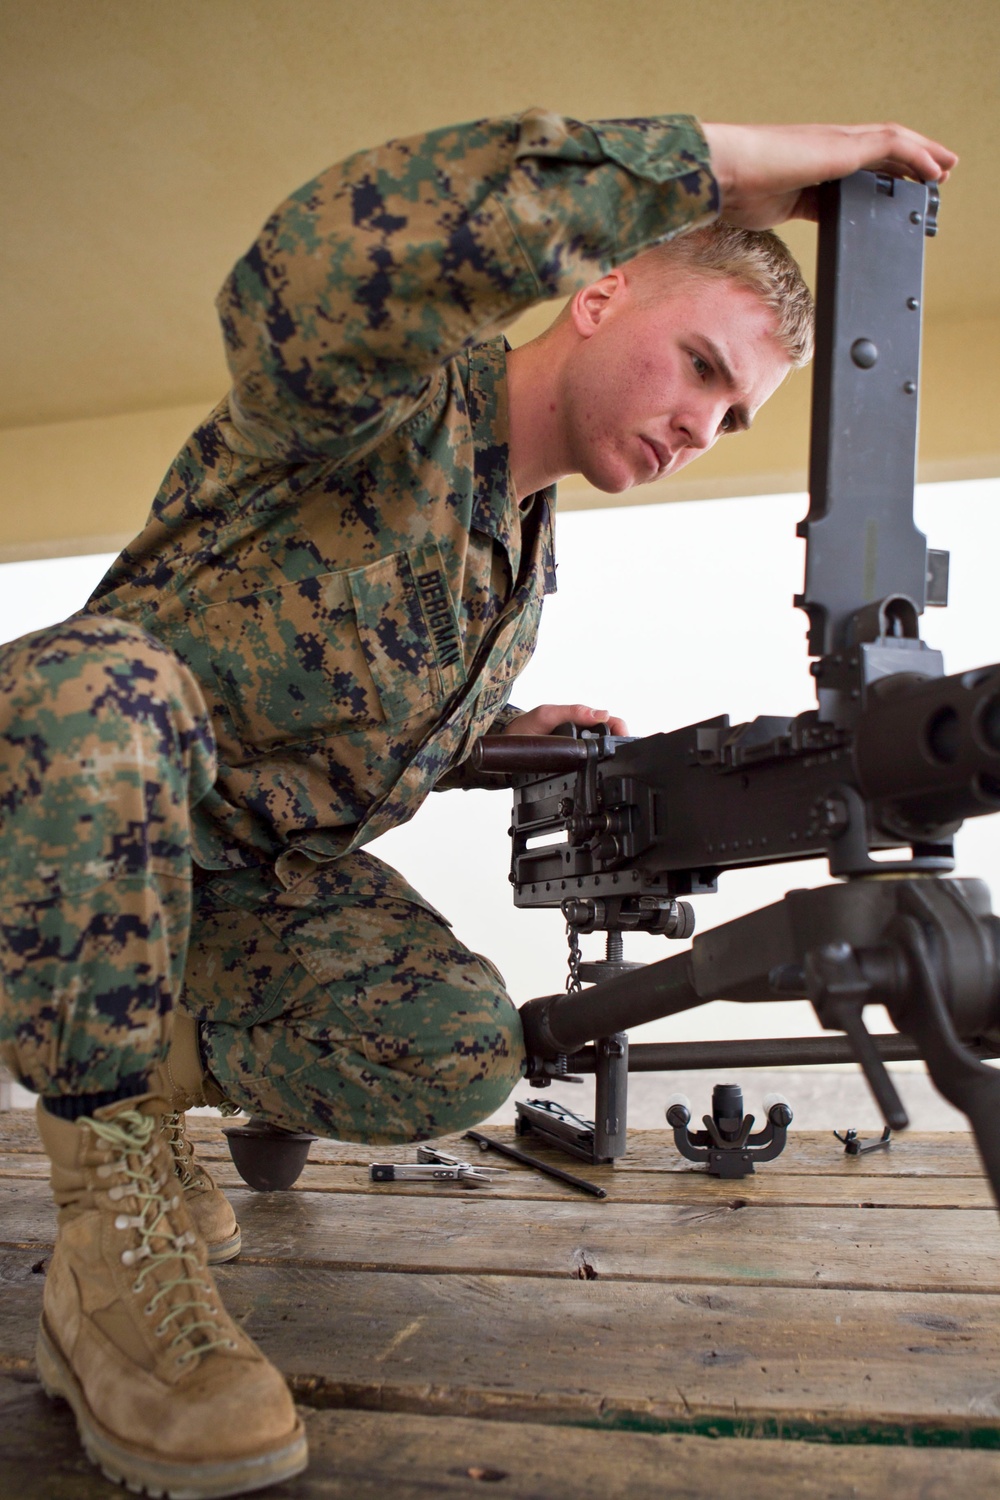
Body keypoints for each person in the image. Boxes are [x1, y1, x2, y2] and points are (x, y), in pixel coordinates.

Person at [0, 111, 956, 1497]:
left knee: (461, 1050)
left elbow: (309, 706)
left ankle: (138, 1083)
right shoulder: (385, 394)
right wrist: (711, 165)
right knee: (102, 694)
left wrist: (476, 732)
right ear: (602, 287)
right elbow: (310, 266)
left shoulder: (516, 582)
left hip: (220, 891)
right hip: (58, 827)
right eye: (698, 364)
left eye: (734, 413)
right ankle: (108, 1244)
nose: (704, 424)